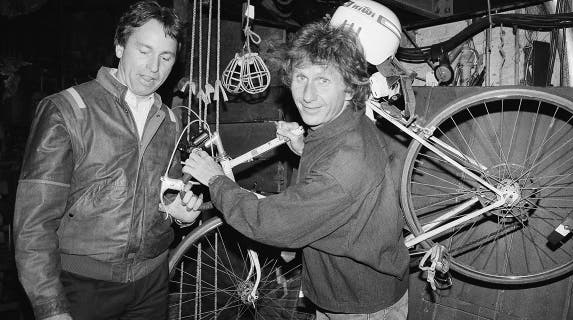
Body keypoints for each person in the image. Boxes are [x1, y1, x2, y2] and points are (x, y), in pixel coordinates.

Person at [183, 21, 410, 319]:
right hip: (348, 292)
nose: (307, 95)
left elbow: (271, 223)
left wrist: (215, 179)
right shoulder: (344, 124)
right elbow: (333, 181)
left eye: (323, 80)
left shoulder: (345, 160)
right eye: (301, 77)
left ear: (349, 87)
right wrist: (303, 148)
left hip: (359, 306)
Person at [13, 2, 203, 319]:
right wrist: (49, 306)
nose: (154, 67)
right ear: (119, 46)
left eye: (165, 57)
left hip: (153, 282)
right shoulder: (68, 109)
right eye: (144, 50)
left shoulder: (169, 120)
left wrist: (178, 213)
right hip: (83, 286)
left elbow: (161, 197)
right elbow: (33, 223)